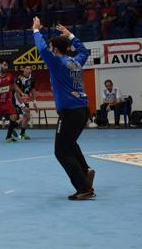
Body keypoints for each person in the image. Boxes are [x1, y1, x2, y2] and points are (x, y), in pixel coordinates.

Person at [32, 17, 95, 200]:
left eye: (52, 48)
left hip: (70, 113)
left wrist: (36, 30)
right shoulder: (76, 62)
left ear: (55, 50)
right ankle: (85, 170)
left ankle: (84, 188)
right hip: (82, 111)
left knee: (61, 151)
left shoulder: (57, 63)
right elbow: (84, 51)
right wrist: (71, 35)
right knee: (70, 144)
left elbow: (42, 49)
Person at [14, 65, 37, 140]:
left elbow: (33, 91)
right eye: (27, 68)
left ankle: (13, 127)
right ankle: (21, 134)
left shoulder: (32, 79)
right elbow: (17, 92)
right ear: (23, 69)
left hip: (25, 99)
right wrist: (22, 105)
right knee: (27, 115)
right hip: (18, 98)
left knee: (26, 117)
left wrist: (34, 103)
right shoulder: (19, 78)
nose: (29, 70)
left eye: (30, 68)